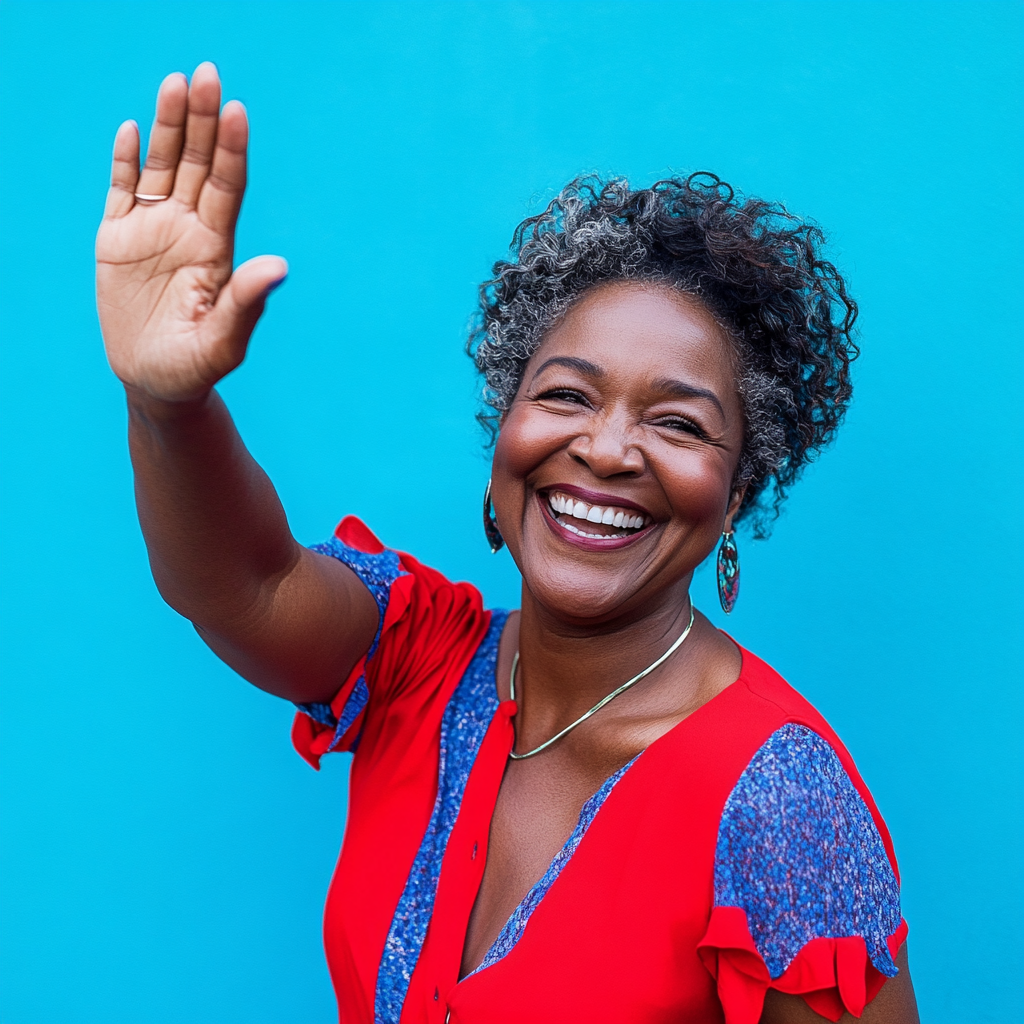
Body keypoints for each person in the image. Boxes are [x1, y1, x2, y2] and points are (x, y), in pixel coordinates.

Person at [95, 63, 920, 1024]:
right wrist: (166, 401)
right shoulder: (417, 657)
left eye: (680, 425)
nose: (606, 449)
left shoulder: (782, 803)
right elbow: (243, 581)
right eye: (565, 395)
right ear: (503, 440)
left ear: (737, 494)